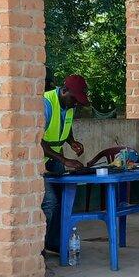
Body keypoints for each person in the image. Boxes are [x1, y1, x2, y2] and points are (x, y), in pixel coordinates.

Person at [40, 75, 89, 253]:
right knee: (50, 202)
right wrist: (64, 160)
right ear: (64, 90)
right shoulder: (46, 103)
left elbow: (65, 127)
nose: (75, 103)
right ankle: (38, 248)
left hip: (54, 159)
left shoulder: (69, 105)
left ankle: (53, 243)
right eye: (74, 99)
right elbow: (36, 139)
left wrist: (72, 141)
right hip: (39, 161)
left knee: (63, 200)